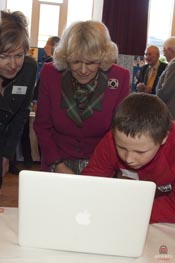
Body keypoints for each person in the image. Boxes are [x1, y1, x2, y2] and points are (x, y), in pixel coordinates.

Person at [34, 20, 130, 174]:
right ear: (66, 58)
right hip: (56, 163)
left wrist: (96, 169)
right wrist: (58, 165)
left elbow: (118, 131)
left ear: (103, 57)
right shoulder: (50, 73)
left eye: (91, 62)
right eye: (76, 62)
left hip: (100, 165)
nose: (83, 70)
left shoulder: (120, 77)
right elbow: (42, 126)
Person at [82, 93, 175, 223]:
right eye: (122, 148)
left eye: (140, 152)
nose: (129, 159)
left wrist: (129, 211)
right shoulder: (113, 138)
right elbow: (91, 181)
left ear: (164, 138)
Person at [0, 10, 37, 188]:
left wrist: (7, 154)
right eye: (3, 56)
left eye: (19, 55)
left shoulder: (29, 69)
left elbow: (22, 113)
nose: (13, 64)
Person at [156, 37, 175, 119]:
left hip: (170, 111)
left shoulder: (173, 65)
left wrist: (157, 97)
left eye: (164, 50)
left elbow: (165, 91)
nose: (163, 54)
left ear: (170, 50)